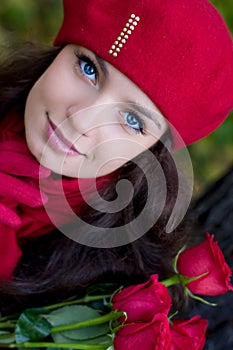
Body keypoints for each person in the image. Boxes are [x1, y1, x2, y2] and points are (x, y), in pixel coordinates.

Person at [0, 0, 232, 313]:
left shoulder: (111, 292)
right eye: (88, 69)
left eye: (133, 121)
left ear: (150, 151)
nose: (80, 119)